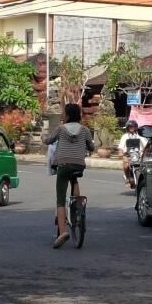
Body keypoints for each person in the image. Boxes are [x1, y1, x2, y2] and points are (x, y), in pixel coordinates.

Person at [43, 103, 94, 249]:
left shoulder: (60, 129)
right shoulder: (85, 130)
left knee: (60, 199)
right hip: (79, 165)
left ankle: (63, 232)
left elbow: (49, 141)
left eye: (64, 113)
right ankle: (77, 206)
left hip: (63, 166)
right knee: (75, 178)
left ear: (68, 115)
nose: (62, 115)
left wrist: (43, 138)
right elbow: (91, 147)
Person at [118, 120, 147, 188]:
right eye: (130, 127)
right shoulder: (125, 136)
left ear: (135, 127)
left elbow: (146, 146)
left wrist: (145, 150)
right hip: (128, 155)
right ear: (127, 128)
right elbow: (121, 147)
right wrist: (121, 153)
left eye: (132, 127)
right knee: (125, 164)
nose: (131, 128)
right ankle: (127, 178)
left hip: (139, 155)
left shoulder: (140, 136)